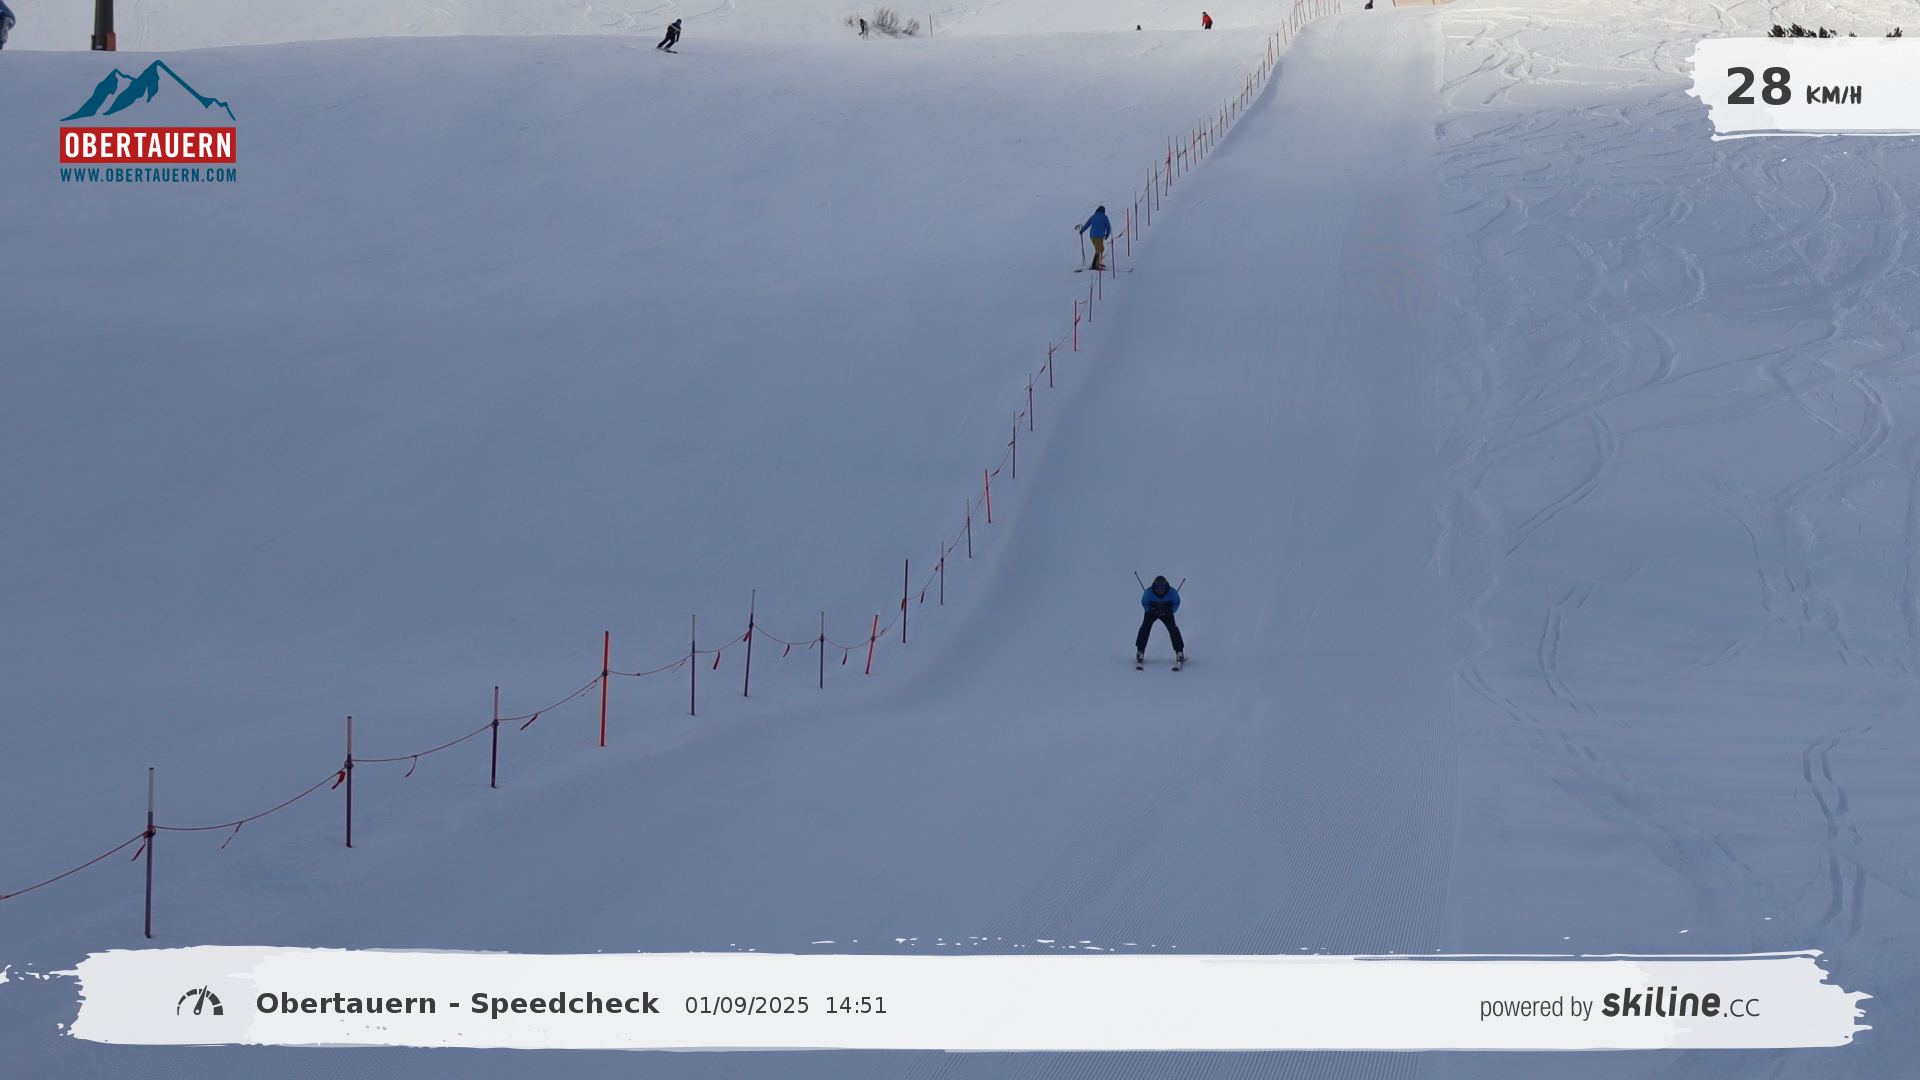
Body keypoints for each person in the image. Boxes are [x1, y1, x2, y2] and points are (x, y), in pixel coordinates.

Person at [1136, 576, 1185, 665]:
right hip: (1152, 612)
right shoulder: (1149, 593)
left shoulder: (1172, 593)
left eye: (1162, 587)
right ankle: (1140, 651)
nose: (1160, 590)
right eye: (1158, 588)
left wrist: (1171, 610)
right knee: (1145, 628)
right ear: (1154, 587)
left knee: (1173, 629)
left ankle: (1179, 652)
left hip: (1167, 613)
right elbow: (1144, 603)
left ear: (1166, 586)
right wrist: (1149, 609)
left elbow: (1176, 602)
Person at [1076, 205, 1112, 271]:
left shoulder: (1093, 216)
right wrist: (1107, 234)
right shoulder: (1104, 217)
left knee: (1101, 249)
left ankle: (1098, 262)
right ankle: (1095, 265)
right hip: (1099, 236)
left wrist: (1082, 230)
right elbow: (1108, 226)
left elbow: (1087, 224)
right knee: (1099, 249)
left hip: (1092, 236)